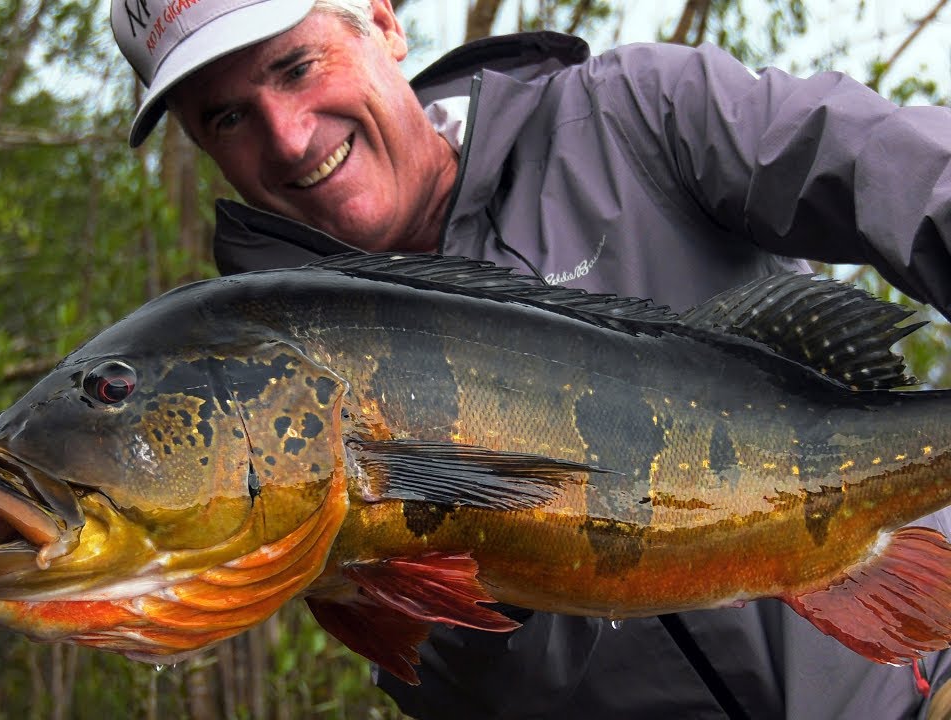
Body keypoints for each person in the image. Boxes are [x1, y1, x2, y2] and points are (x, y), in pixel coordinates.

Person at [109, 0, 951, 716]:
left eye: (296, 67)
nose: (289, 139)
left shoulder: (636, 118)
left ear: (379, 19)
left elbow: (903, 173)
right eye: (226, 116)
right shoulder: (249, 387)